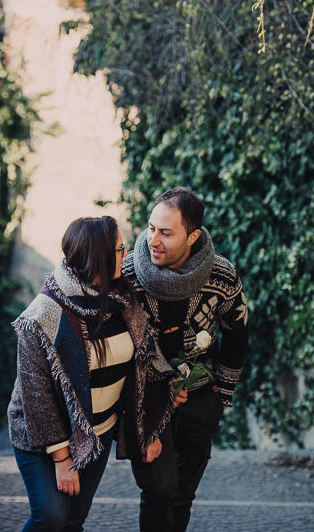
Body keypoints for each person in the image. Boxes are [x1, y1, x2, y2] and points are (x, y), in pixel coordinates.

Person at [7, 216, 180, 532]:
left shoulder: (123, 299)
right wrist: (62, 460)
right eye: (119, 249)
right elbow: (37, 399)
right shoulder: (43, 315)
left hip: (96, 432)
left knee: (73, 521)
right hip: (43, 437)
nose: (125, 255)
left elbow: (143, 366)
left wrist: (147, 430)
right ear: (98, 255)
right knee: (52, 516)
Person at [122, 187, 249, 531]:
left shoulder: (221, 275)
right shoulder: (130, 276)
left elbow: (236, 332)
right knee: (158, 490)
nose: (153, 239)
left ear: (192, 235)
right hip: (147, 402)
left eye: (165, 232)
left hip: (199, 399)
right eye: (151, 228)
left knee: (182, 496)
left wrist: (221, 396)